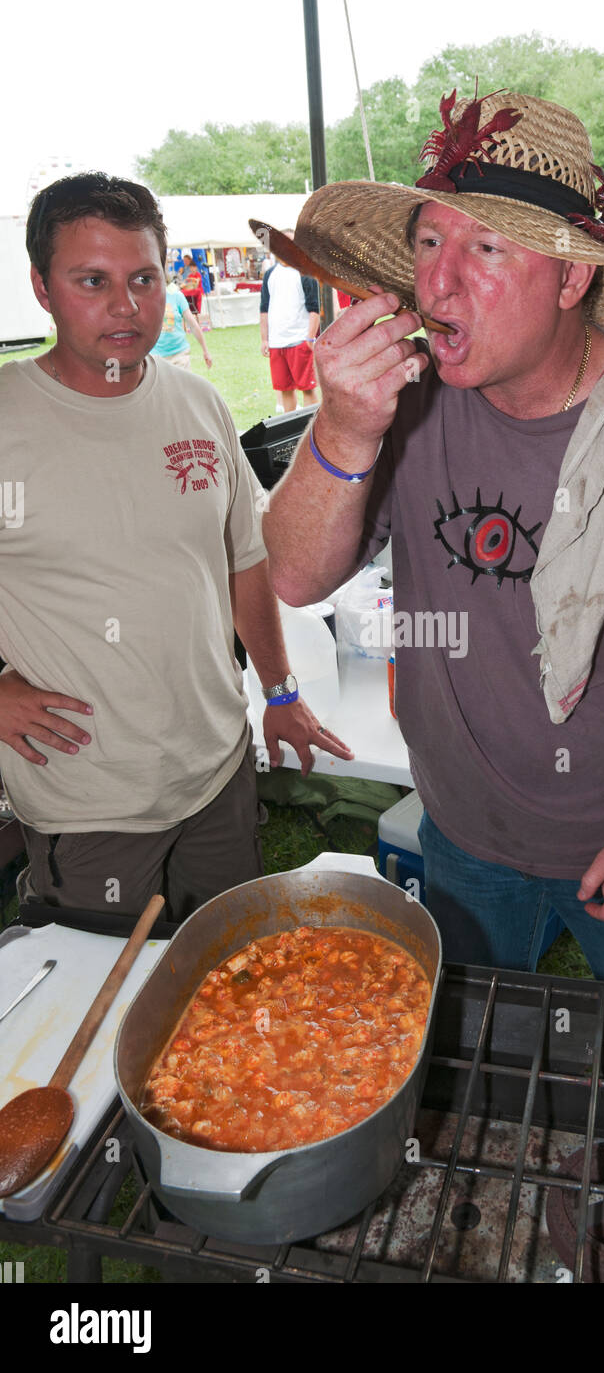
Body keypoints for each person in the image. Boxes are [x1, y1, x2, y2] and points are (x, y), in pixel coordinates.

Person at [261, 91, 604, 990]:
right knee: (470, 1053)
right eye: (429, 243)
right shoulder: (408, 406)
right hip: (460, 828)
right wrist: (344, 432)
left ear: (570, 278)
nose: (437, 283)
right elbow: (291, 575)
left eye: (484, 249)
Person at [0, 172, 350, 926]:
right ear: (41, 286)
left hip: (216, 773)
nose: (126, 307)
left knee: (226, 983)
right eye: (93, 281)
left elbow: (244, 561)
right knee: (105, 1009)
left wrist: (280, 690)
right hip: (88, 798)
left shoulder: (199, 403)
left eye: (144, 279)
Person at [259, 232, 321, 413]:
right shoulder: (270, 274)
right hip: (277, 343)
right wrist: (264, 339)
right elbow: (264, 308)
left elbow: (314, 309)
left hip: (299, 340)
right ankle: (292, 430)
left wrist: (309, 338)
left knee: (308, 389)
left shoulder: (306, 273)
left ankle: (311, 428)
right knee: (285, 390)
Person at [152, 275, 212, 371]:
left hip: (180, 355)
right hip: (155, 358)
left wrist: (205, 351)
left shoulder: (176, 296)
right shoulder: (146, 299)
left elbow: (193, 325)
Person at [178, 252, 205, 317]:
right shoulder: (183, 268)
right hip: (188, 289)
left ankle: (197, 313)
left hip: (197, 291)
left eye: (186, 260)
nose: (185, 262)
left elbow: (197, 281)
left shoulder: (196, 271)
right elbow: (183, 279)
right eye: (184, 261)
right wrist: (180, 273)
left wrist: (191, 279)